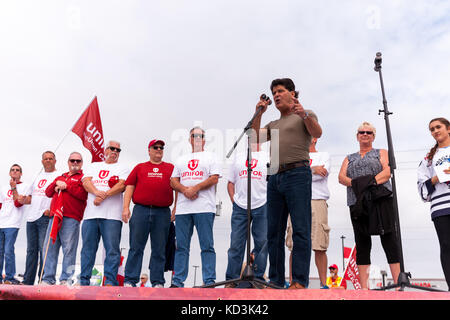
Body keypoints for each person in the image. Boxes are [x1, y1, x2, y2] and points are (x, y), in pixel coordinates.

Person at [252, 78, 322, 289]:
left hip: (298, 173)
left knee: (300, 229)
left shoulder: (304, 114)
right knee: (274, 232)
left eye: (280, 91)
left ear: (293, 94)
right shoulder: (273, 124)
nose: (276, 95)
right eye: (274, 92)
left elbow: (317, 133)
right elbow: (254, 137)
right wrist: (259, 113)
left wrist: (304, 115)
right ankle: (275, 280)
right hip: (274, 176)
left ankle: (299, 281)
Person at [338, 121, 401, 289]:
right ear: (357, 136)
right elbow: (341, 178)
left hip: (381, 200)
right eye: (361, 132)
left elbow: (387, 172)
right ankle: (364, 287)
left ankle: (397, 284)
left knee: (389, 239)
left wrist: (366, 183)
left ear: (373, 136)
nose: (365, 134)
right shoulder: (349, 157)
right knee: (362, 241)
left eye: (368, 132)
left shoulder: (381, 152)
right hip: (357, 203)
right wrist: (360, 185)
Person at [170, 127, 221, 288]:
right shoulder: (181, 159)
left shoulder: (211, 157)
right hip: (184, 209)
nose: (197, 138)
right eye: (194, 136)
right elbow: (173, 181)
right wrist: (186, 190)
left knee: (207, 245)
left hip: (204, 208)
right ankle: (177, 281)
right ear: (190, 139)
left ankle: (209, 281)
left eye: (201, 136)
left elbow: (214, 179)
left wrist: (195, 188)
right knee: (181, 246)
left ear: (204, 139)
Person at [122, 139, 174, 288]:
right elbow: (130, 186)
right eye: (155, 147)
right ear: (149, 150)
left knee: (159, 248)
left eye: (161, 147)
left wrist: (176, 208)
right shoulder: (140, 167)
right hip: (141, 210)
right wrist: (126, 207)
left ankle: (158, 281)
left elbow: (177, 187)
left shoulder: (170, 168)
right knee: (136, 247)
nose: (159, 149)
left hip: (163, 212)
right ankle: (130, 280)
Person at [80, 141, 129, 286]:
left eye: (118, 150)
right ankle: (84, 281)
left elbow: (122, 185)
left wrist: (103, 196)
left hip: (112, 216)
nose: (115, 151)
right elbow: (86, 182)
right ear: (105, 150)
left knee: (112, 250)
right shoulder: (94, 166)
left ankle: (110, 281)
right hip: (91, 215)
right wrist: (96, 193)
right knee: (88, 250)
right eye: (112, 148)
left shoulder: (123, 167)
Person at [286, 137, 331, 288]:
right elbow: (291, 176)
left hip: (318, 200)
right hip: (297, 201)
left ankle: (323, 283)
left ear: (315, 138)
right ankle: (294, 281)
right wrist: (312, 169)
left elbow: (322, 174)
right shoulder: (295, 155)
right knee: (295, 244)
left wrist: (303, 172)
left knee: (319, 245)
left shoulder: (324, 155)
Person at [224, 140, 269, 288]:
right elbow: (230, 182)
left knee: (261, 243)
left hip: (262, 204)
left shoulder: (267, 156)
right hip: (240, 206)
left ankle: (258, 280)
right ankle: (232, 279)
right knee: (236, 244)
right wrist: (233, 199)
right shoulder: (238, 156)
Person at [41, 152, 88, 285]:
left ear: (81, 163)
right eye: (72, 160)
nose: (75, 163)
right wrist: (57, 182)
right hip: (55, 217)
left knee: (69, 249)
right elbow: (48, 192)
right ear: (68, 162)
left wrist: (66, 186)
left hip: (71, 217)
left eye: (78, 161)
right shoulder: (60, 176)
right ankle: (48, 278)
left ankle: (65, 279)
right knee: (49, 248)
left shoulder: (83, 178)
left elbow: (83, 195)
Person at [417, 117, 450, 290]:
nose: (435, 131)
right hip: (441, 207)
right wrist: (436, 178)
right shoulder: (427, 159)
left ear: (448, 129)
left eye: (438, 127)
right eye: (432, 129)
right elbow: (422, 191)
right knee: (446, 246)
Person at [22, 151, 59, 285]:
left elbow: (59, 197)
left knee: (45, 250)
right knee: (31, 251)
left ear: (55, 161)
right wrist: (22, 198)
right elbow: (29, 198)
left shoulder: (58, 175)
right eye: (45, 159)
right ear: (42, 161)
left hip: (45, 216)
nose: (48, 161)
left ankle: (43, 280)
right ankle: (27, 281)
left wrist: (52, 210)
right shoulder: (36, 176)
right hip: (31, 217)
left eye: (50, 158)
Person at [0, 164, 31, 284]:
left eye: (17, 170)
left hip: (13, 223)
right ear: (9, 173)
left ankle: (9, 277)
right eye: (12, 170)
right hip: (1, 222)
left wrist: (14, 188)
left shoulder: (25, 186)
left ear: (21, 173)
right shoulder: (3, 188)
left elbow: (18, 204)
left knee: (8, 250)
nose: (15, 172)